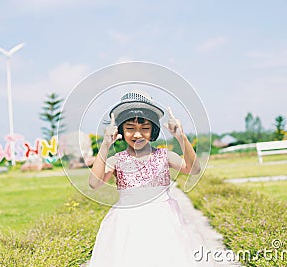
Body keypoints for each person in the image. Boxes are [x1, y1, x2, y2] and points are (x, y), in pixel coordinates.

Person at [88, 91, 206, 267]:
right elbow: (94, 183)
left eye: (144, 129)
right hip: (126, 224)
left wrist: (181, 137)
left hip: (163, 222)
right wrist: (105, 145)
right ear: (120, 130)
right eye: (130, 129)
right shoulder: (116, 160)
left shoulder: (165, 156)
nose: (137, 135)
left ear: (153, 131)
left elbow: (194, 169)